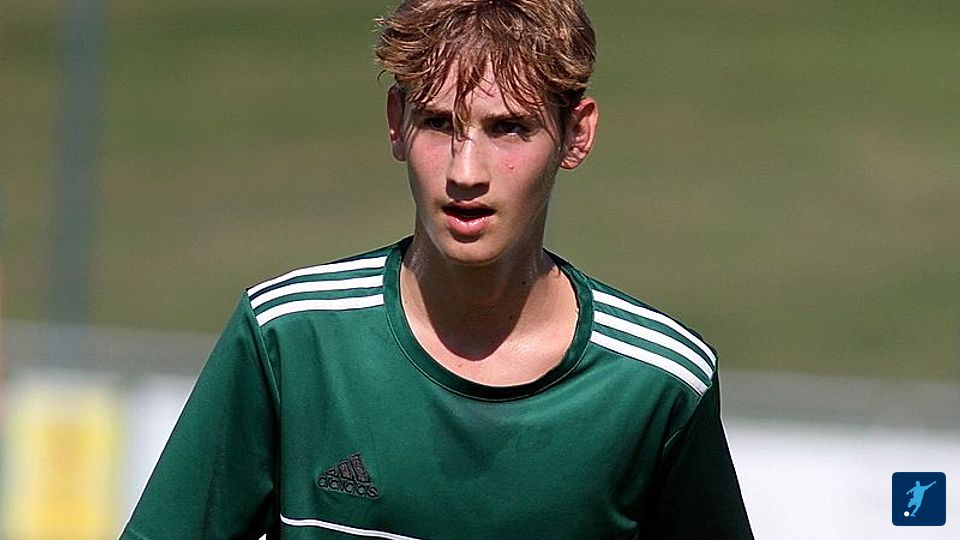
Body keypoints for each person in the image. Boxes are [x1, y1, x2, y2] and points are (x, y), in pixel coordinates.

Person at [120, 1, 752, 538]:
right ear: (397, 124)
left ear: (576, 134)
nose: (464, 172)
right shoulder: (292, 337)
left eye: (509, 129)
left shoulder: (658, 383)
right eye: (438, 123)